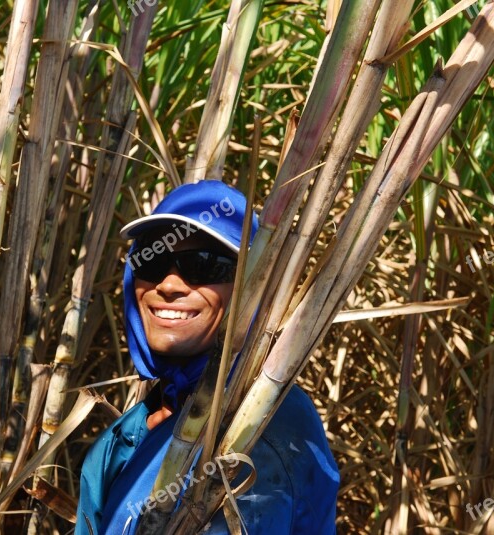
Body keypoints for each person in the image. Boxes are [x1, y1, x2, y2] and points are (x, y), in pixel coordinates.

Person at [75, 181, 339, 534]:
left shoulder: (264, 432)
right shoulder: (124, 437)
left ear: (252, 286)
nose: (169, 285)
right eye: (152, 260)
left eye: (204, 265)